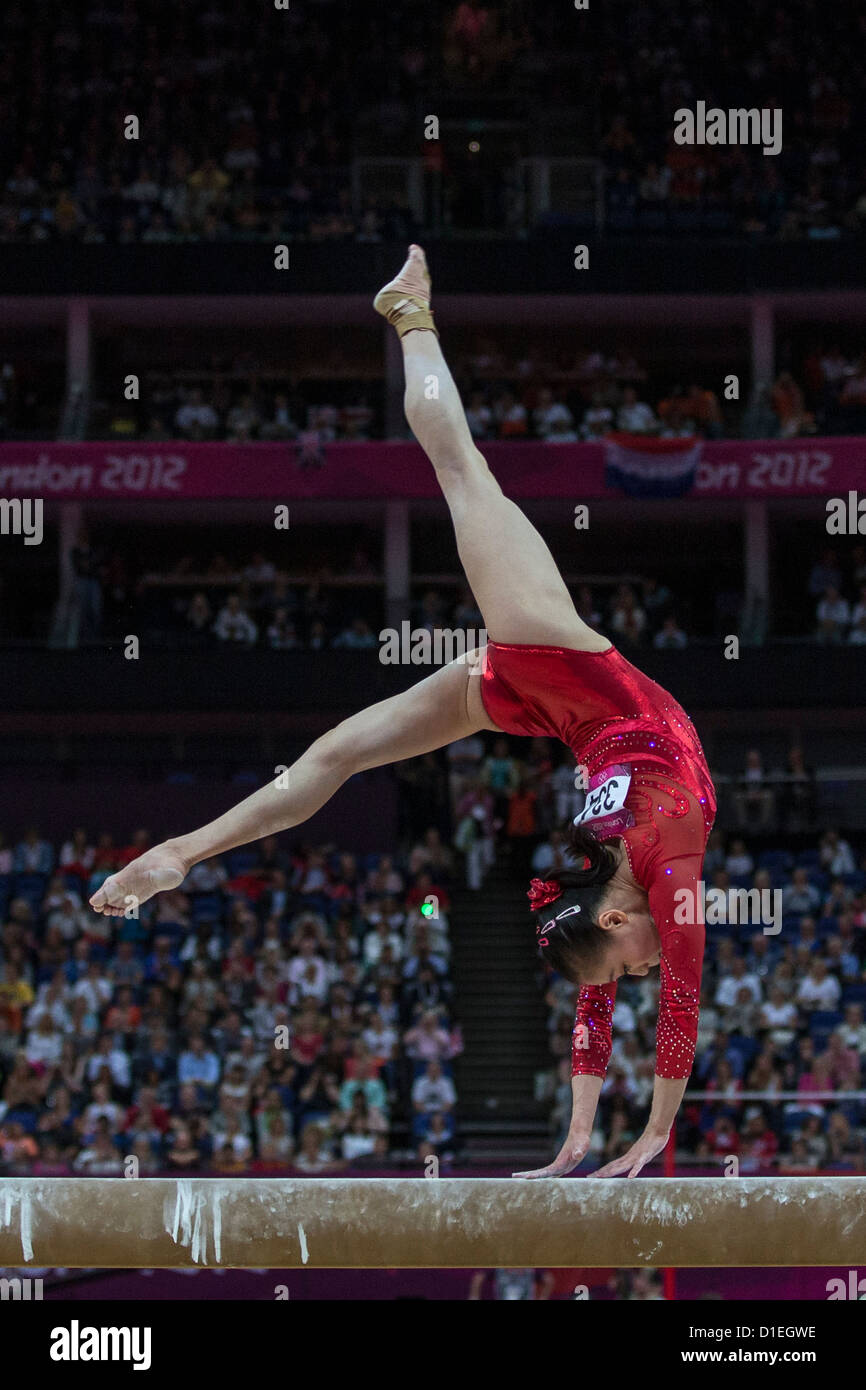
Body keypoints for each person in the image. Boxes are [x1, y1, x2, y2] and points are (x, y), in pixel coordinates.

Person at [90, 246, 716, 1178]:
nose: (638, 971)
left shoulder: (602, 896)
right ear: (620, 919)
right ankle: (180, 852)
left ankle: (183, 850)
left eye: (625, 964)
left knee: (352, 726)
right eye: (628, 965)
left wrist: (617, 1140)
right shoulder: (670, 859)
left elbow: (621, 991)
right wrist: (618, 1137)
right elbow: (674, 1005)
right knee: (452, 492)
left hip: (552, 686)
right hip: (558, 675)